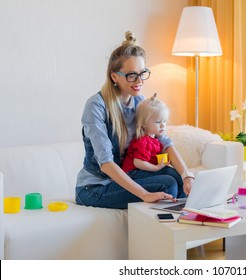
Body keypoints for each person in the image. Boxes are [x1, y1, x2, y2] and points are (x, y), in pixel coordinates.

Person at [75, 31, 194, 209]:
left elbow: (164, 141)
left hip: (128, 176)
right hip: (95, 188)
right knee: (167, 184)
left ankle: (188, 224)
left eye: (142, 73)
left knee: (176, 176)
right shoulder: (96, 106)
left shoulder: (139, 101)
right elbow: (106, 163)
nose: (139, 81)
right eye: (132, 75)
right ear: (114, 76)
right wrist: (144, 194)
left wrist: (187, 175)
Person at [122, 93, 185, 199]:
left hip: (143, 171)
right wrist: (156, 168)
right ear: (143, 124)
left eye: (164, 121)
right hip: (134, 173)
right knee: (169, 175)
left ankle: (184, 198)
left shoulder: (155, 139)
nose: (162, 125)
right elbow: (137, 162)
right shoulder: (143, 141)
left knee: (174, 173)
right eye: (158, 122)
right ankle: (177, 202)